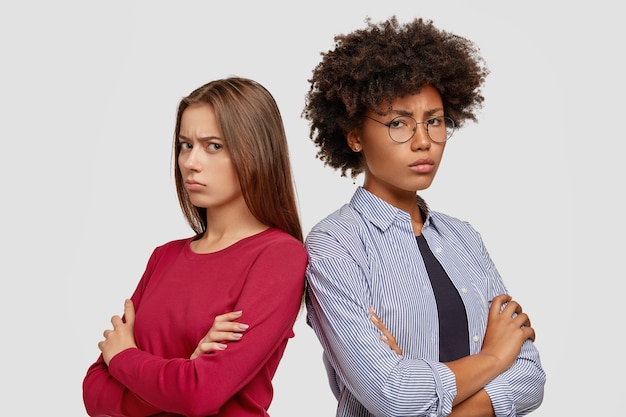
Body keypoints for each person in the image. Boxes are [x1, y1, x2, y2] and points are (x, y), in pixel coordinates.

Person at [302, 16, 546, 417]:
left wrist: (432, 385)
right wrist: (494, 357)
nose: (423, 141)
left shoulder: (463, 238)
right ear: (355, 135)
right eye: (398, 123)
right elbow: (393, 396)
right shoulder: (334, 244)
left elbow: (530, 376)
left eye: (434, 121)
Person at [82, 77, 308, 417]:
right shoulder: (165, 257)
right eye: (186, 145)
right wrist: (183, 370)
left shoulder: (279, 256)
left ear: (256, 151)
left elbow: (199, 395)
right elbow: (94, 392)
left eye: (213, 145)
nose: (190, 162)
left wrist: (125, 358)